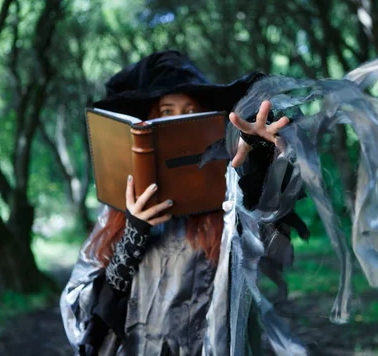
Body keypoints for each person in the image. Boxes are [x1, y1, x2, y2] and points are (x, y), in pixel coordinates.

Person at [60, 50, 306, 355]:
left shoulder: (230, 200)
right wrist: (133, 234)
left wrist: (260, 163)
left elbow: (268, 244)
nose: (178, 120)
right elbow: (84, 309)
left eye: (189, 110)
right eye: (166, 111)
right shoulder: (118, 209)